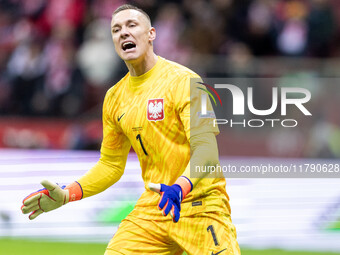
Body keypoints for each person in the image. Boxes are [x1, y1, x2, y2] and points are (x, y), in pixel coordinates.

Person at [21, 4, 240, 255]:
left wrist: (179, 187)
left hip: (201, 206)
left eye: (131, 25)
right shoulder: (114, 97)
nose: (123, 32)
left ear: (151, 34)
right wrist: (67, 193)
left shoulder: (187, 82)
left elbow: (207, 152)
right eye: (116, 29)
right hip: (154, 208)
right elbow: (110, 165)